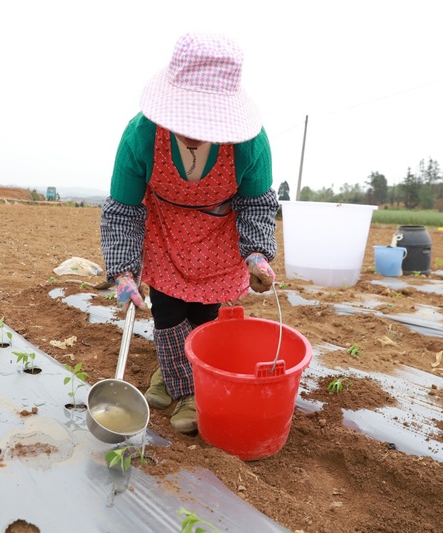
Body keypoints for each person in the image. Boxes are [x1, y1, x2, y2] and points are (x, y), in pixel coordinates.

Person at [100, 32, 278, 434]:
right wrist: (124, 273)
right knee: (167, 310)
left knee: (203, 314)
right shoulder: (141, 136)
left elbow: (256, 203)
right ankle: (183, 387)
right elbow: (124, 209)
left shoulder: (250, 145)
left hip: (220, 236)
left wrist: (256, 254)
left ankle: (185, 382)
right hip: (165, 230)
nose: (195, 130)